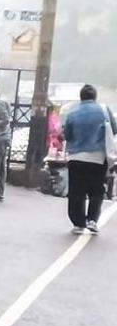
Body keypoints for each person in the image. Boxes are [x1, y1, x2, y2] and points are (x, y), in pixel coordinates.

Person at [62, 84, 117, 234]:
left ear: (81, 96)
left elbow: (67, 135)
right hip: (97, 157)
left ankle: (78, 224)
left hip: (76, 157)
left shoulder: (72, 112)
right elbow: (114, 129)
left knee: (76, 191)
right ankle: (92, 220)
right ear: (94, 97)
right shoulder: (104, 110)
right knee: (96, 190)